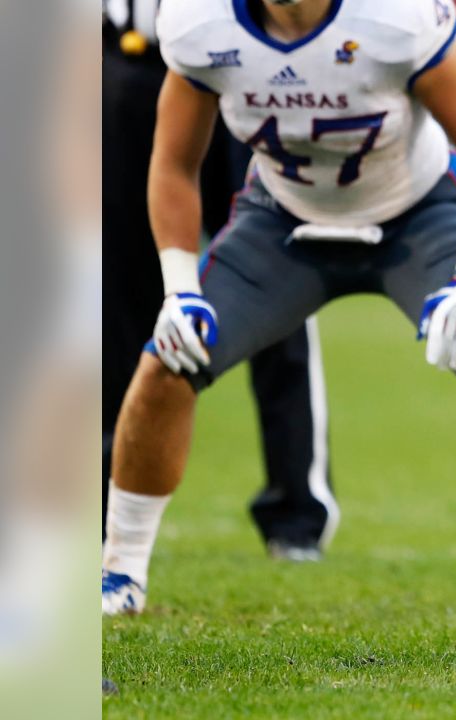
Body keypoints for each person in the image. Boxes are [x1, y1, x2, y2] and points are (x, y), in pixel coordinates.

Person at [102, 0, 456, 616]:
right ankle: (120, 570)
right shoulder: (198, 22)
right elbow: (174, 165)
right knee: (167, 363)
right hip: (283, 220)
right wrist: (180, 288)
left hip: (416, 214)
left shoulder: (392, 18)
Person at [104, 0, 338, 560]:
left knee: (274, 275)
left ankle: (296, 511)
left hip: (239, 58)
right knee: (118, 293)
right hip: (128, 60)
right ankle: (110, 506)